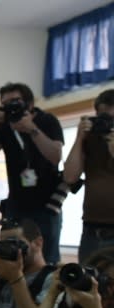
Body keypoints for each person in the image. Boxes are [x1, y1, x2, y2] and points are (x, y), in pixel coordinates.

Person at [0, 82, 65, 264]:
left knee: (46, 259)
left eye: (16, 101)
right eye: (6, 103)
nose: (11, 106)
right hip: (16, 205)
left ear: (29, 104)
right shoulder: (5, 127)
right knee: (12, 257)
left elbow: (55, 156)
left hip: (46, 206)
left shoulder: (46, 121)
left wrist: (31, 129)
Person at [63, 89, 114, 263]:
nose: (107, 123)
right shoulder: (91, 139)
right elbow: (70, 176)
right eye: (103, 117)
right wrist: (80, 138)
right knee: (86, 283)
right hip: (91, 230)